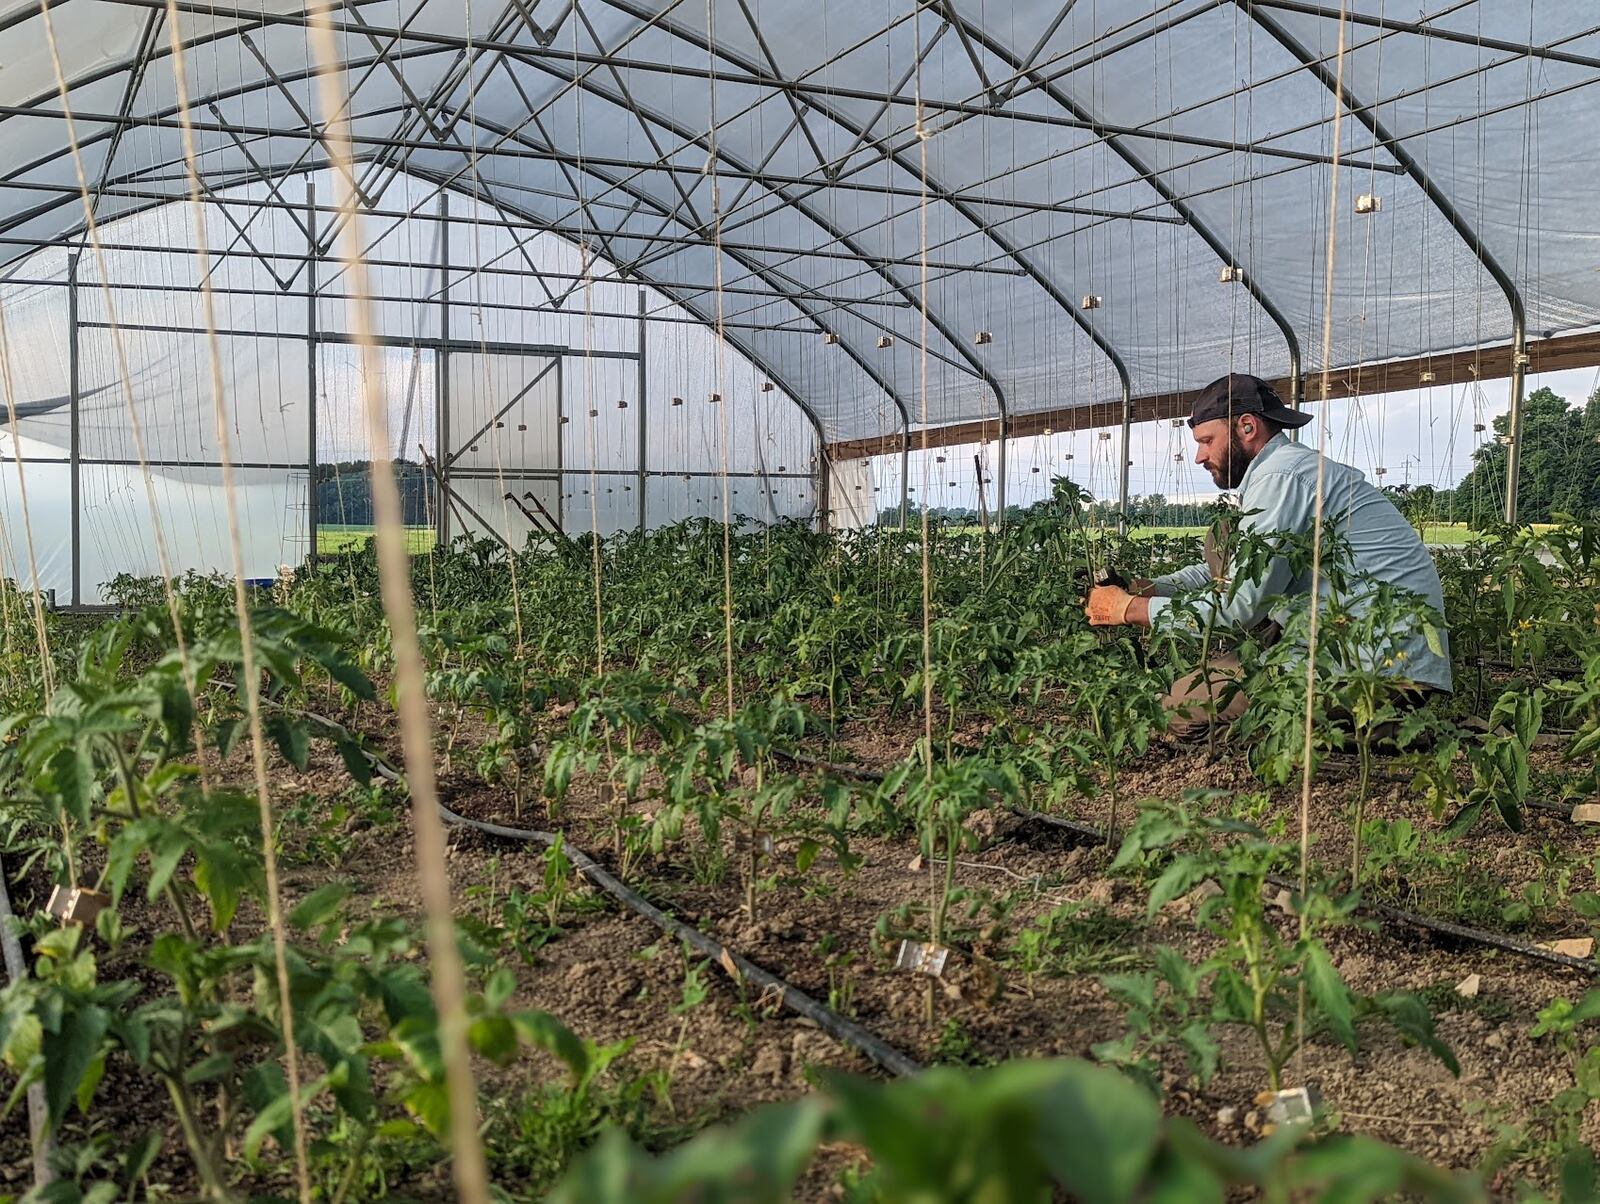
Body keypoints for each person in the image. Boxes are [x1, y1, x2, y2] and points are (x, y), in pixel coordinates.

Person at [1083, 373, 1452, 739]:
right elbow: (1230, 570)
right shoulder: (1279, 474)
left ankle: (1377, 729)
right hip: (1352, 650)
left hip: (1372, 668)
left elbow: (1236, 609)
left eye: (1207, 441)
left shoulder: (1283, 479)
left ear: (1246, 427)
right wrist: (1149, 589)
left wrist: (1127, 609)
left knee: (1173, 710)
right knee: (1221, 541)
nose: (1199, 456)